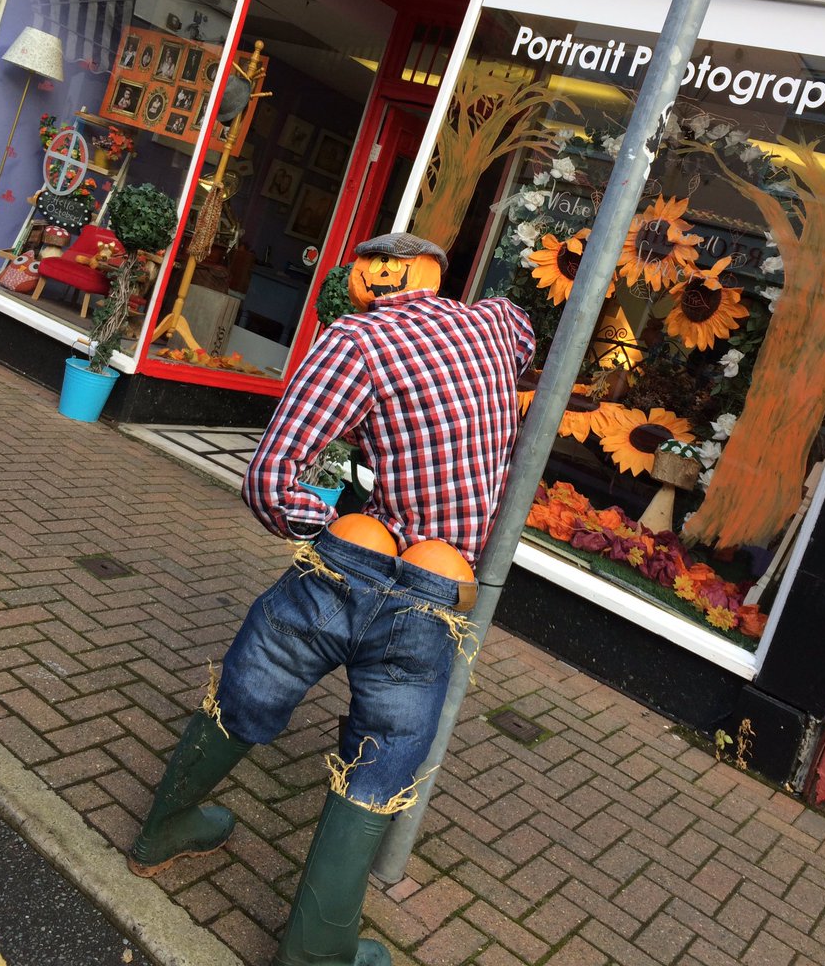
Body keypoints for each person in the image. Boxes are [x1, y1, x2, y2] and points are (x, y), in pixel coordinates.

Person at [127, 232, 535, 966]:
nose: (364, 276)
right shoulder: (497, 325)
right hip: (437, 592)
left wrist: (323, 526)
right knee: (384, 758)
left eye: (372, 266)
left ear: (384, 274)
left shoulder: (356, 340)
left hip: (351, 567)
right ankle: (315, 951)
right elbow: (527, 329)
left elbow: (269, 479)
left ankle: (162, 832)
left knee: (251, 685)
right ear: (438, 276)